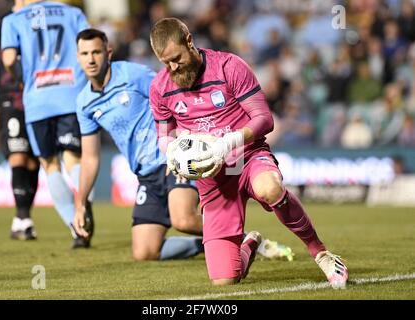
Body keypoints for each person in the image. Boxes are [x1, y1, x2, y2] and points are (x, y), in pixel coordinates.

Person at [149, 18, 348, 287]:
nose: (172, 67)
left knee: (269, 188)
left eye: (176, 58)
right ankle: (250, 243)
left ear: (189, 41)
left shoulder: (229, 67)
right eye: (165, 62)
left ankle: (321, 253)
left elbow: (264, 119)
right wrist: (171, 153)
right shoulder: (160, 88)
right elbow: (164, 135)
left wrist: (228, 142)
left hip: (248, 156)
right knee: (225, 280)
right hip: (213, 177)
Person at [73, 29, 294, 262]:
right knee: (144, 252)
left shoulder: (132, 75)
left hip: (175, 160)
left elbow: (176, 95)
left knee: (184, 219)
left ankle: (238, 242)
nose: (90, 59)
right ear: (77, 57)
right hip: (145, 174)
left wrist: (181, 146)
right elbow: (90, 158)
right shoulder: (84, 103)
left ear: (108, 52)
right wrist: (81, 204)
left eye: (96, 52)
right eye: (84, 53)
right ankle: (219, 242)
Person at [1, 0, 94, 248]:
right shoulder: (73, 13)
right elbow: (91, 45)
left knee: (50, 164)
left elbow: (9, 59)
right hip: (71, 95)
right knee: (74, 159)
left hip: (38, 99)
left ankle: (76, 229)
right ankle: (86, 199)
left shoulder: (13, 20)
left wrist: (25, 78)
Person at [0, 1, 39, 240]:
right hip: (10, 99)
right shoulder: (0, 23)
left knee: (34, 161)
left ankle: (21, 218)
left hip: (38, 99)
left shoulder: (41, 22)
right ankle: (23, 216)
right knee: (18, 154)